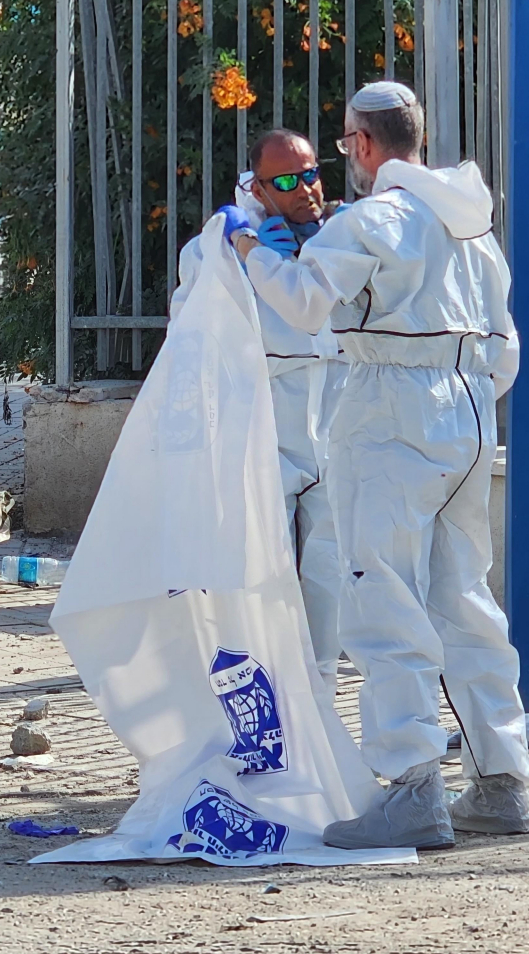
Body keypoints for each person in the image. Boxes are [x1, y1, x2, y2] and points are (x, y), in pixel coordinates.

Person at [224, 81, 529, 849]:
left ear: (363, 143)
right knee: (463, 597)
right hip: (466, 412)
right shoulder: (470, 226)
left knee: (383, 597)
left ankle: (412, 788)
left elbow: (300, 300)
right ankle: (502, 780)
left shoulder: (376, 220)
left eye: (344, 146)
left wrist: (250, 245)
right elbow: (506, 346)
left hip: (388, 412)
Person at [210, 129, 350, 696]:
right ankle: (263, 688)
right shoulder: (228, 240)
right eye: (286, 181)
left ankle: (320, 687)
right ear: (257, 187)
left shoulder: (341, 233)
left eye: (311, 173)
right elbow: (196, 313)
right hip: (268, 417)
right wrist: (246, 256)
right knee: (266, 565)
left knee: (329, 569)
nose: (305, 190)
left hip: (331, 413)